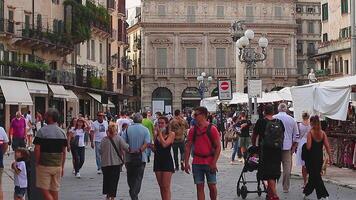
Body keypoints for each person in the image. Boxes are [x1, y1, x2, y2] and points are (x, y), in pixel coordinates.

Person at [184, 107, 221, 200]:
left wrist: (214, 162)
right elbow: (188, 146)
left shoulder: (212, 129)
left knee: (212, 186)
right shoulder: (193, 130)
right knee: (199, 187)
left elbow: (218, 147)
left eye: (196, 115)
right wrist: (186, 162)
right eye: (194, 115)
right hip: (197, 162)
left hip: (209, 162)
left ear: (204, 116)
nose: (194, 117)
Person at [33, 108, 67, 200]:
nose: (44, 117)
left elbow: (37, 149)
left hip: (44, 165)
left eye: (46, 115)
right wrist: (62, 167)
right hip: (57, 166)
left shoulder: (42, 132)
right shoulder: (62, 132)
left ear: (50, 117)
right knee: (54, 190)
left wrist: (36, 162)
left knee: (44, 189)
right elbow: (64, 152)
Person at [252, 104, 285, 200]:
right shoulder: (279, 122)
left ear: (264, 112)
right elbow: (282, 136)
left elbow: (254, 136)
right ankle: (270, 195)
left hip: (265, 151)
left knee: (268, 175)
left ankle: (274, 195)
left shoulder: (261, 122)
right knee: (274, 174)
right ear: (273, 112)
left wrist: (254, 146)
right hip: (277, 151)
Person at [122, 113, 150, 200]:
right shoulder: (145, 130)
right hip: (141, 157)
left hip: (129, 157)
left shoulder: (127, 130)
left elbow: (123, 143)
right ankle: (134, 194)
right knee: (138, 177)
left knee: (130, 176)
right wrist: (140, 150)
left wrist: (129, 150)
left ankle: (133, 192)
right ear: (141, 120)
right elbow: (147, 143)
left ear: (133, 120)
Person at [303, 115, 332, 200]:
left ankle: (324, 195)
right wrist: (330, 157)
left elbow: (308, 147)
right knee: (314, 176)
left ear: (312, 123)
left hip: (311, 158)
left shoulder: (310, 133)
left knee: (315, 177)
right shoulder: (323, 133)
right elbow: (327, 146)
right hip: (319, 158)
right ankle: (306, 192)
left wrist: (304, 145)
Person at [273, 103, 298, 193]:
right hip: (287, 147)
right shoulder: (292, 120)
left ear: (278, 109)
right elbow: (296, 136)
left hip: (275, 147)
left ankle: (273, 186)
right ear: (286, 109)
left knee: (275, 166)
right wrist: (294, 146)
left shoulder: (273, 118)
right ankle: (285, 187)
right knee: (287, 168)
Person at [100, 123, 129, 200]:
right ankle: (112, 197)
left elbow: (100, 151)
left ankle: (107, 196)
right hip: (115, 163)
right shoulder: (118, 138)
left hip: (105, 163)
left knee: (106, 180)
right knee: (114, 181)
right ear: (115, 130)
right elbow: (126, 147)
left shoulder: (103, 140)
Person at [153, 116, 175, 200]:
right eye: (159, 123)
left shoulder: (171, 134)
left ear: (166, 124)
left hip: (167, 161)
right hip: (157, 160)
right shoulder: (156, 134)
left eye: (162, 123)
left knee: (166, 186)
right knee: (161, 186)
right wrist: (149, 146)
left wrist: (159, 134)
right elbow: (155, 148)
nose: (160, 125)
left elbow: (165, 144)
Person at [296, 112, 311, 187]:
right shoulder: (311, 125)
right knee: (309, 163)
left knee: (303, 164)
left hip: (301, 143)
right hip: (309, 142)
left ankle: (305, 181)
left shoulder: (299, 125)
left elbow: (297, 135)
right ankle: (309, 181)